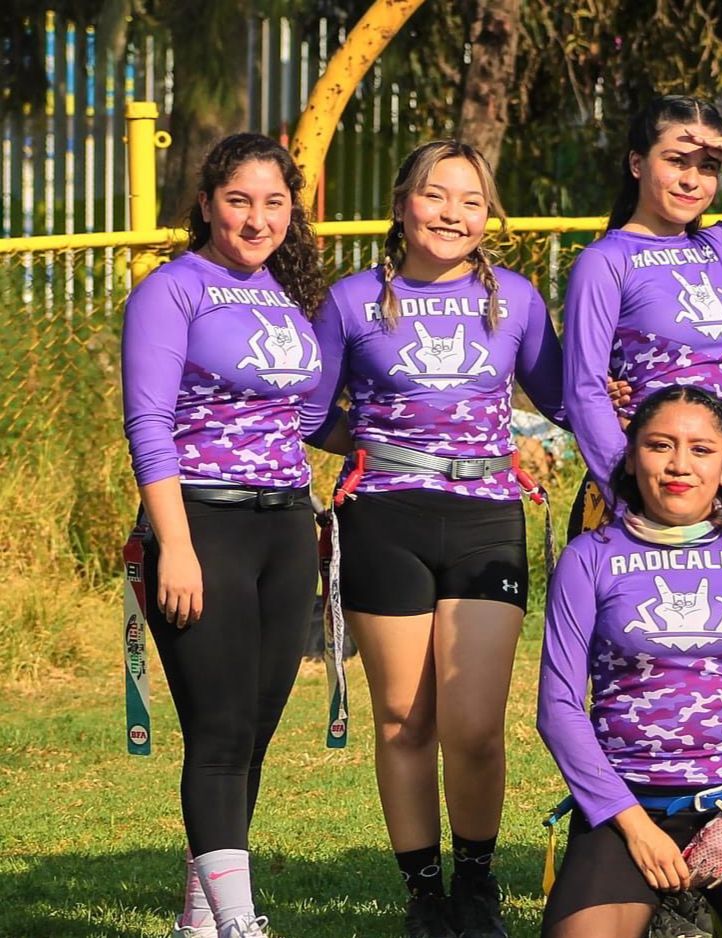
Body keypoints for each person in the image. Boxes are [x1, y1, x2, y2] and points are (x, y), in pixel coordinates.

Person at [301, 140, 566, 938]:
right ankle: (424, 894)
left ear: (489, 217)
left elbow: (563, 396)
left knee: (474, 727)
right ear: (402, 204)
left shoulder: (515, 299)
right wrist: (378, 448)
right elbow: (309, 409)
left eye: (471, 201)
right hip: (384, 519)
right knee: (402, 719)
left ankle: (476, 884)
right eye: (435, 195)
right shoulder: (351, 300)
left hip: (486, 518)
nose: (452, 214)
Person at [121, 132, 329, 938]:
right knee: (218, 732)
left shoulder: (288, 291)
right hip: (202, 522)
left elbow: (308, 415)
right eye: (238, 200)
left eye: (274, 203)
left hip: (287, 527)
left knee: (254, 734)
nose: (256, 219)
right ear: (206, 203)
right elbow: (149, 424)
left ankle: (200, 922)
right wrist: (174, 545)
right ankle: (241, 924)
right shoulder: (173, 289)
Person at [536, 385, 722, 938]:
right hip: (625, 805)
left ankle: (688, 905)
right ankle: (669, 906)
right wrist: (633, 826)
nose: (679, 465)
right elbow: (558, 708)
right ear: (631, 457)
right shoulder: (589, 557)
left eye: (701, 449)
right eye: (659, 445)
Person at [563, 94, 722, 535]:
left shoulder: (719, 246)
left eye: (708, 167)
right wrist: (629, 498)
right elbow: (583, 390)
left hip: (710, 489)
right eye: (676, 161)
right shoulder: (606, 261)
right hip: (639, 495)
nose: (692, 181)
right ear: (637, 163)